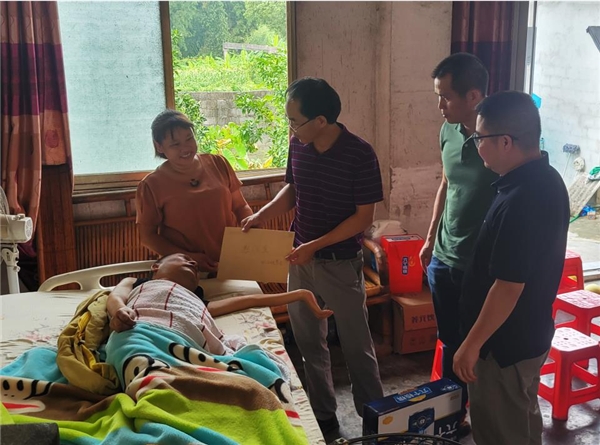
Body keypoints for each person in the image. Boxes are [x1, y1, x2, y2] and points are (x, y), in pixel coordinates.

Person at [241, 77, 384, 434]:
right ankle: (324, 417)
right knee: (308, 344)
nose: (291, 128)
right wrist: (262, 215)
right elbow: (293, 189)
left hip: (340, 264)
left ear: (321, 120)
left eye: (295, 121)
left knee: (357, 347)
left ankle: (374, 421)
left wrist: (314, 246)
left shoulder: (360, 154)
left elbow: (362, 219)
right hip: (300, 261)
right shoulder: (299, 144)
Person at [453, 91, 569, 444]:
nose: (476, 146)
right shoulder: (543, 179)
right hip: (525, 336)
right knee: (521, 418)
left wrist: (472, 344)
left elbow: (508, 286)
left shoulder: (523, 199)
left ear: (505, 141)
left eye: (479, 138)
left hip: (503, 347)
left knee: (500, 431)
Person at [420, 52, 498, 427]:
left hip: (480, 264)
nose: (440, 107)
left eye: (446, 97)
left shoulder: (499, 142)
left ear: (474, 96)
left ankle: (484, 415)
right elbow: (446, 183)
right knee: (451, 339)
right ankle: (455, 415)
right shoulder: (447, 131)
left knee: (479, 344)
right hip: (444, 256)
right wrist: (430, 236)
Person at [107, 253, 333, 356]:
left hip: (180, 343)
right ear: (156, 266)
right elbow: (115, 297)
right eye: (184, 259)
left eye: (195, 268)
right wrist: (120, 312)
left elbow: (249, 300)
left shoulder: (194, 302)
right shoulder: (136, 283)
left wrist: (299, 294)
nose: (193, 263)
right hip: (138, 333)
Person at [136, 110, 253, 273]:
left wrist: (252, 228)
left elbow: (240, 206)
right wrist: (189, 258)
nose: (185, 148)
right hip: (185, 271)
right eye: (175, 144)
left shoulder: (218, 163)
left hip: (231, 261)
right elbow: (148, 237)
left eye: (189, 138)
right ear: (159, 146)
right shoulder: (151, 185)